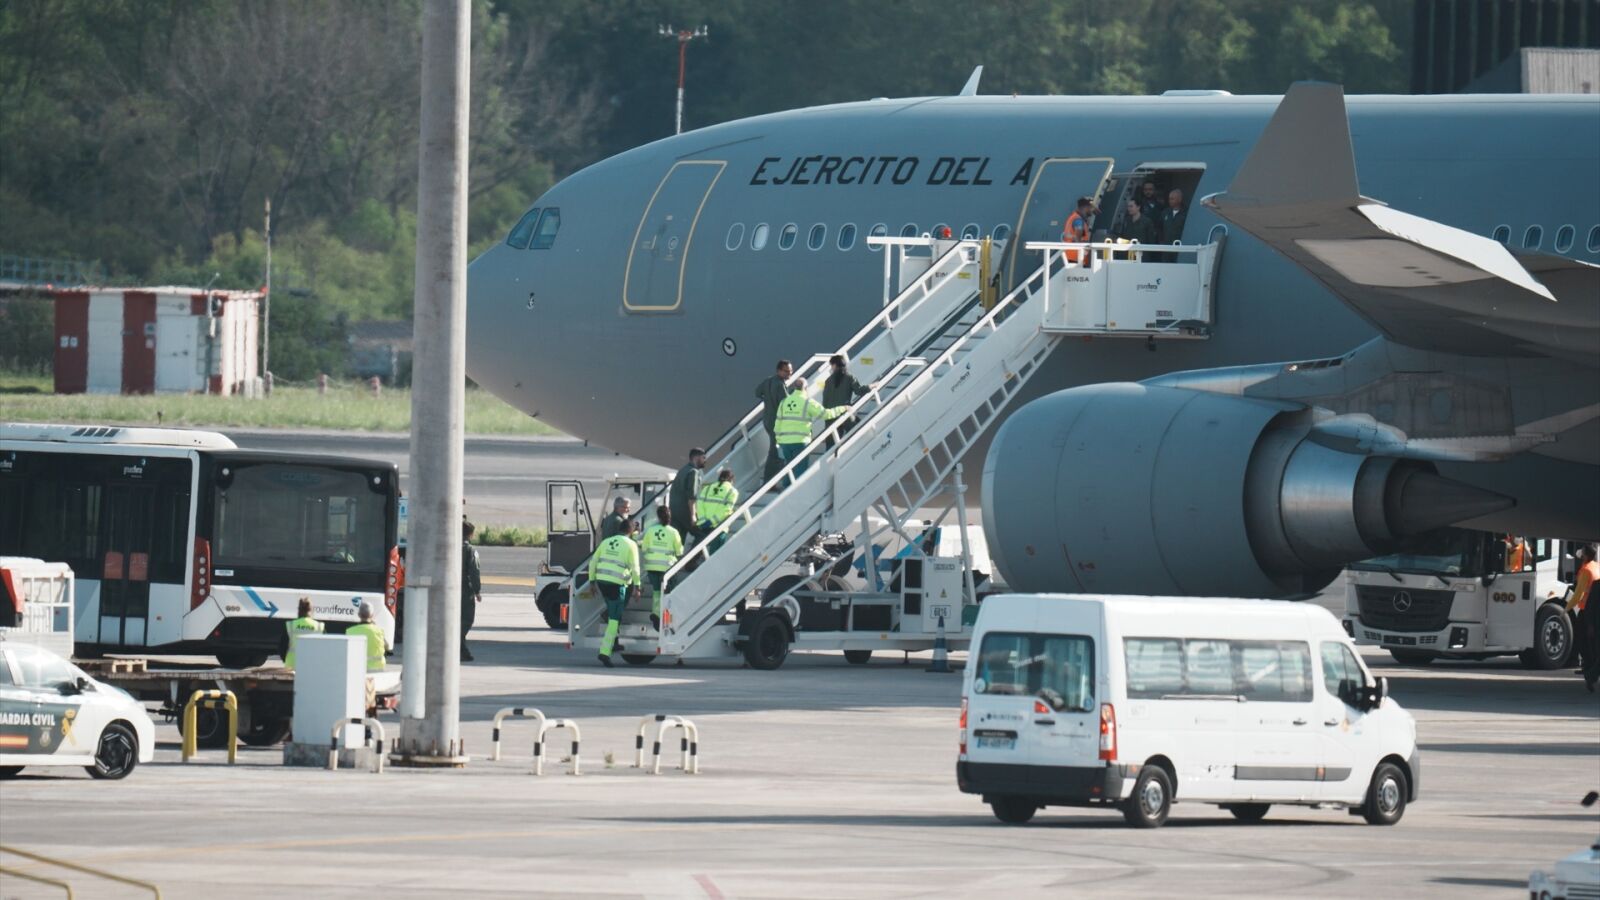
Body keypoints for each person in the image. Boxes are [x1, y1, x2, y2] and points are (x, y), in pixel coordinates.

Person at [773, 376, 849, 484]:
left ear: (794, 387)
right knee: (800, 471)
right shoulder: (807, 402)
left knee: (789, 469)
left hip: (785, 442)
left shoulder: (784, 402)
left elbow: (778, 423)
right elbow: (826, 414)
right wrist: (843, 408)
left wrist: (779, 440)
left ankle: (785, 489)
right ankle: (797, 492)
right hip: (800, 441)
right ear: (805, 388)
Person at [589, 525, 642, 667]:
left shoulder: (606, 541)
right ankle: (605, 652)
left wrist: (592, 581)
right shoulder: (631, 544)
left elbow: (593, 562)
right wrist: (637, 586)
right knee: (614, 619)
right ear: (631, 531)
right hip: (617, 584)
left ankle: (609, 617)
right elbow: (635, 567)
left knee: (612, 610)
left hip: (602, 582)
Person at [639, 506, 683, 630]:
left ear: (658, 517)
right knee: (668, 595)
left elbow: (644, 548)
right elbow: (679, 551)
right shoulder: (673, 532)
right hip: (667, 567)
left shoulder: (650, 531)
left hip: (652, 566)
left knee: (656, 591)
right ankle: (666, 620)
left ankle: (656, 613)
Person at [1567, 543, 1600, 692]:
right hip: (1593, 619)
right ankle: (1590, 674)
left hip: (1587, 615)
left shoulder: (1586, 570)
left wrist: (1566, 609)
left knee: (1587, 647)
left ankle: (1590, 674)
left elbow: (1579, 595)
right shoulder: (1596, 569)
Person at [756, 359, 795, 481]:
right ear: (779, 371)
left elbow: (757, 392)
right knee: (775, 452)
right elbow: (786, 403)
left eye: (791, 371)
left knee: (775, 449)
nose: (789, 374)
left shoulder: (768, 381)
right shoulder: (780, 384)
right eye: (786, 371)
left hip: (767, 420)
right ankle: (770, 480)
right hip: (776, 423)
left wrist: (767, 399)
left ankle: (771, 479)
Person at [821, 354, 868, 447]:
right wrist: (870, 386)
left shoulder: (828, 381)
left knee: (831, 447)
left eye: (831, 365)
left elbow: (825, 402)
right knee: (860, 437)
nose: (831, 368)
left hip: (831, 417)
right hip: (845, 415)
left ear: (835, 365)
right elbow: (859, 391)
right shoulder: (849, 377)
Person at [669, 447, 707, 546]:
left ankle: (679, 557)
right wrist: (693, 515)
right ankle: (693, 557)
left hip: (675, 512)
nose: (705, 460)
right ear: (696, 458)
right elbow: (692, 497)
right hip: (686, 511)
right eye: (703, 457)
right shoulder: (693, 472)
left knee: (678, 541)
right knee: (703, 536)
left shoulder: (683, 470)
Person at [697, 467, 740, 554]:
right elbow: (726, 510)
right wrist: (711, 521)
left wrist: (703, 521)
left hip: (703, 526)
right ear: (731, 479)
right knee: (715, 554)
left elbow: (699, 504)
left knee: (697, 551)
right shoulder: (732, 491)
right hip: (719, 527)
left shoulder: (707, 488)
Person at [460, 519, 482, 662]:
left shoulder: (449, 546)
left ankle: (461, 649)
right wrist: (477, 590)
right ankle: (460, 649)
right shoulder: (470, 550)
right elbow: (474, 571)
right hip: (464, 590)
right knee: (466, 619)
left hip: (448, 588)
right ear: (470, 534)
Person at [346, 601, 387, 673]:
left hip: (357, 669)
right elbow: (387, 647)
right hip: (377, 669)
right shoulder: (379, 631)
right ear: (372, 615)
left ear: (358, 615)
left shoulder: (350, 631)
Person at [283, 597, 323, 670]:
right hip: (313, 666)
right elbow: (325, 648)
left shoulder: (291, 625)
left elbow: (282, 647)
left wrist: (285, 660)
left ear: (299, 610)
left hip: (292, 666)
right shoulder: (319, 626)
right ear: (311, 610)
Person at [1061, 196, 1095, 264]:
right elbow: (1078, 240)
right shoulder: (1078, 221)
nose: (1092, 210)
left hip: (1071, 255)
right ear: (1086, 207)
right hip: (1077, 257)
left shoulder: (1074, 217)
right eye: (1091, 208)